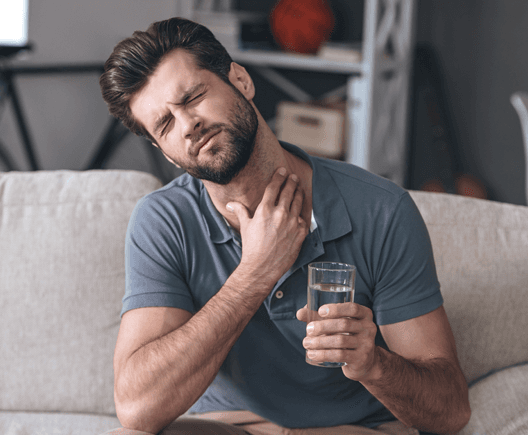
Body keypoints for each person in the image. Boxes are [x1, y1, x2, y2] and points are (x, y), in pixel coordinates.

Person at [99, 17, 470, 435]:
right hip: (225, 426)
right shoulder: (163, 221)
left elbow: (451, 412)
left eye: (193, 97)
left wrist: (373, 363)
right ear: (162, 150)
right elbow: (135, 408)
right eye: (165, 125)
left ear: (240, 79)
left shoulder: (381, 210)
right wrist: (254, 273)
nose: (188, 125)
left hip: (351, 428)